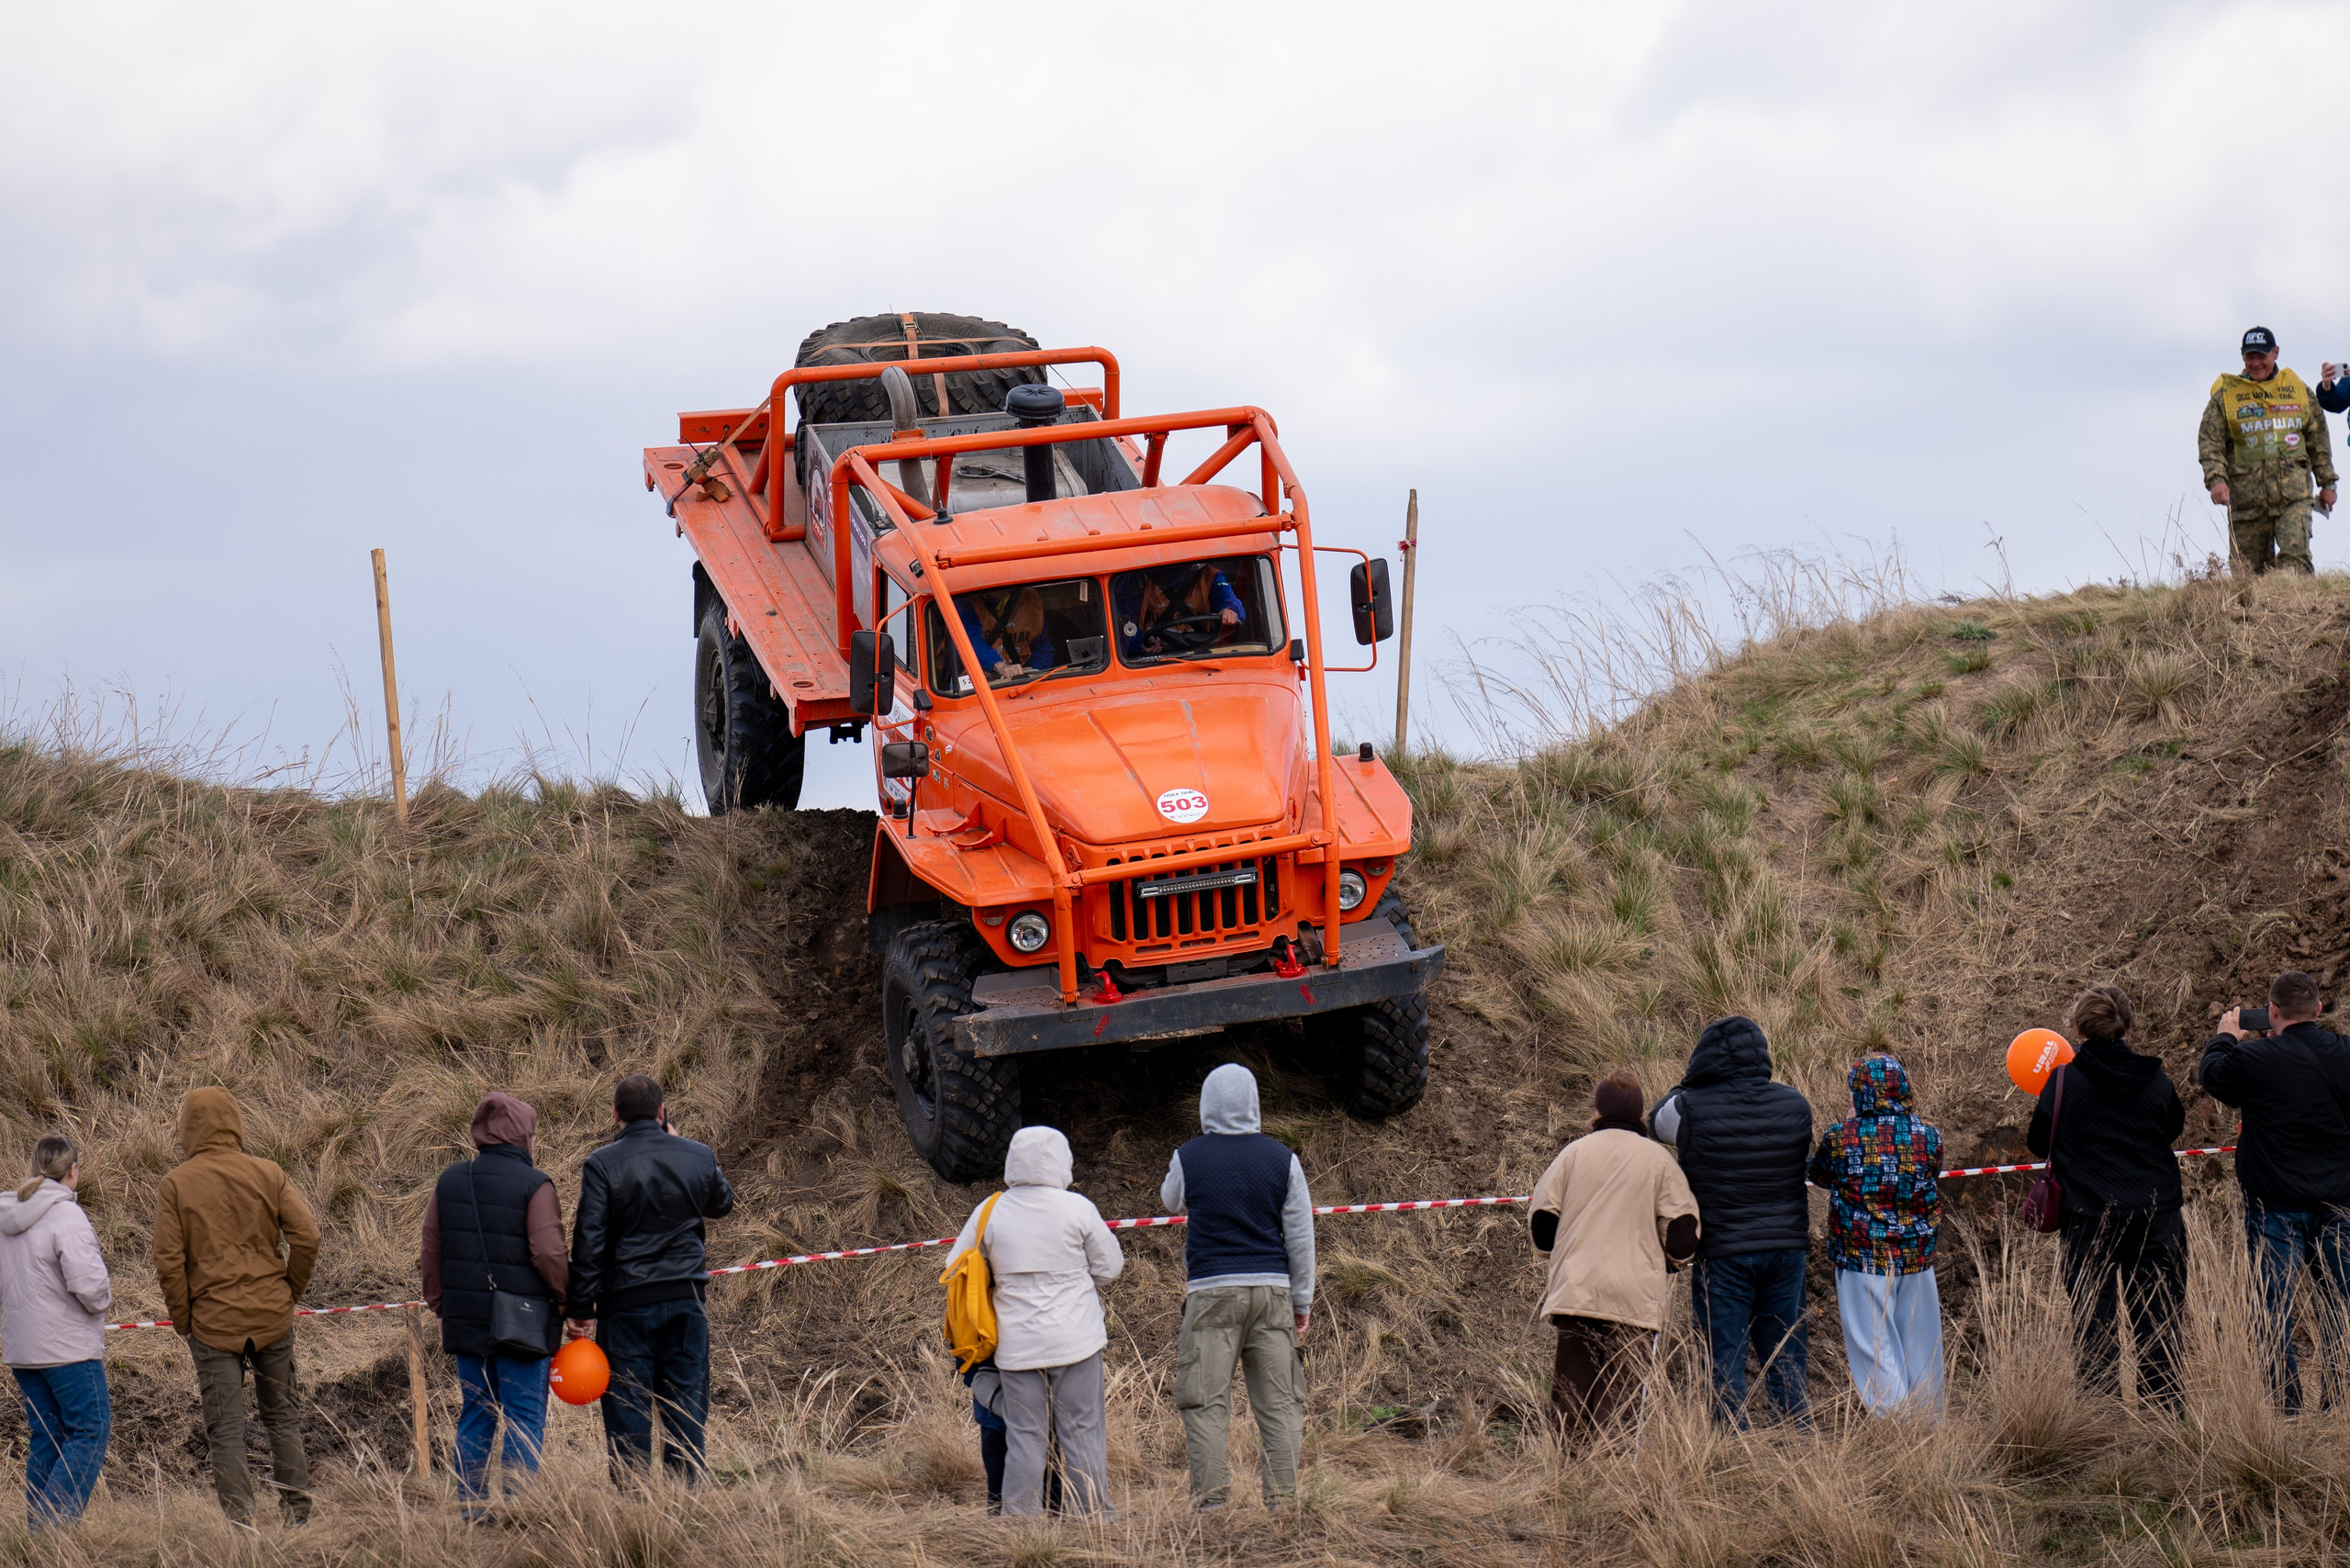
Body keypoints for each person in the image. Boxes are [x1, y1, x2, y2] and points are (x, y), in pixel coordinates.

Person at [152, 1087, 320, 1526]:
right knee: (283, 1418)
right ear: (235, 1122)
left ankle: (240, 1530)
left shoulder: (176, 1185)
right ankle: (298, 1517)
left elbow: (168, 1261)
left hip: (211, 1324)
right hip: (271, 1316)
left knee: (225, 1432)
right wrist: (288, 1294)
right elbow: (308, 1237)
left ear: (188, 1128)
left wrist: (183, 1320)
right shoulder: (268, 1172)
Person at [944, 1126, 1123, 1518]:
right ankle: (1091, 1518)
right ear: (1064, 1161)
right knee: (1082, 1431)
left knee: (1026, 1438)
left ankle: (1019, 1525)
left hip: (1016, 1345)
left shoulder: (990, 1210)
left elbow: (953, 1267)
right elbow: (1111, 1267)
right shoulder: (1077, 1208)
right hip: (1077, 1341)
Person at [565, 1074, 734, 1480]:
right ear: (662, 1111)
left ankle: (636, 1508)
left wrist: (580, 1307)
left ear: (615, 1114)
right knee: (686, 1404)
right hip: (686, 1299)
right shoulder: (698, 1154)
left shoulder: (602, 1163)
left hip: (625, 1307)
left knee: (627, 1409)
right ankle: (686, 1501)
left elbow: (589, 1241)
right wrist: (683, 1145)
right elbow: (722, 1203)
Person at [1159, 1064, 1315, 1509]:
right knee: (1280, 1403)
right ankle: (1283, 1504)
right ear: (1254, 1103)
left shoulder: (1189, 1156)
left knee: (1205, 1402)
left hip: (1211, 1293)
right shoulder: (1282, 1158)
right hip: (1272, 1293)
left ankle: (1212, 1507)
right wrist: (1301, 1300)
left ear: (1207, 1103)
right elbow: (1301, 1236)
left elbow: (1171, 1199)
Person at [2029, 984, 2187, 1409]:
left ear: (2078, 1027)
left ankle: (2100, 1421)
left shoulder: (2062, 1081)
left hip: (2089, 1216)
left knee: (2093, 1322)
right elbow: (2172, 1129)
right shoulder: (2156, 1078)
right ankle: (2167, 1415)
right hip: (2157, 1213)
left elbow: (2038, 1141)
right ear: (2126, 1025)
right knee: (2159, 1317)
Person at [1650, 1015, 1813, 1427]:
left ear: (1704, 1060)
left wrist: (1689, 1084)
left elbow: (1655, 1122)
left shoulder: (1689, 1108)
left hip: (1724, 1252)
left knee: (1723, 1358)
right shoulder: (1795, 1103)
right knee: (1786, 1355)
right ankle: (1800, 1444)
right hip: (1786, 1249)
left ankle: (1732, 1455)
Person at [2199, 969, 2350, 1413]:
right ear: (2319, 1010)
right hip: (2340, 1202)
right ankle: (2338, 1407)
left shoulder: (2256, 1058)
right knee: (2339, 1307)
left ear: (2271, 1013)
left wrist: (2227, 1035)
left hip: (2274, 1208)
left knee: (2271, 1311)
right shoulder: (2345, 1053)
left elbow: (2212, 1076)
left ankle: (2284, 1409)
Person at [1527, 1070, 1697, 1437]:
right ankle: (1610, 1481)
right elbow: (1683, 1230)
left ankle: (1564, 1480)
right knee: (1620, 1404)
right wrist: (1669, 1264)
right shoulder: (1659, 1160)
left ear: (1598, 1110)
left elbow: (1543, 1219)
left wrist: (1557, 1255)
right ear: (1639, 1114)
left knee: (1569, 1400)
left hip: (1578, 1291)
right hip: (1635, 1298)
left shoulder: (1573, 1154)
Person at [421, 1093, 569, 1510]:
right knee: (524, 1418)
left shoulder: (450, 1180)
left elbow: (430, 1250)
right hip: (523, 1323)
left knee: (477, 1413)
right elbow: (549, 1253)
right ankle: (513, 1508)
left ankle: (470, 1509)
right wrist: (566, 1301)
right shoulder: (535, 1184)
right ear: (522, 1135)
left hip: (466, 1320)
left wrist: (441, 1308)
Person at [1807, 1055, 1944, 1418]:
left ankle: (1897, 1434)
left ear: (1862, 1094)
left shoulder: (1840, 1137)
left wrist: (1851, 1126)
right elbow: (1932, 1171)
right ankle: (1929, 1428)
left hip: (1862, 1256)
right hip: (1916, 1257)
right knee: (1922, 1347)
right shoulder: (1928, 1136)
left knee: (1874, 1348)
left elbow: (1819, 1175)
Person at [0, 1136, 112, 1529]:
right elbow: (91, 1288)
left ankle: (36, 1534)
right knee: (91, 1430)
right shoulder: (67, 1216)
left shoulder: (7, 1216)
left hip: (21, 1348)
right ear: (72, 1171)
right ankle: (51, 1530)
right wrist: (103, 1301)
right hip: (68, 1349)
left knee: (47, 1436)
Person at [2198, 326, 2337, 577]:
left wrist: (2328, 484)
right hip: (2245, 503)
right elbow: (2210, 442)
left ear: (2275, 353)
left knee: (2296, 565)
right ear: (2242, 357)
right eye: (2250, 356)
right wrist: (2216, 480)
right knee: (2249, 577)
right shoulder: (2226, 396)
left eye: (2261, 355)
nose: (2255, 362)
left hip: (2293, 498)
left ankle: (2300, 615)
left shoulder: (2297, 390)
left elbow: (2318, 440)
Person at [1114, 562, 1244, 658]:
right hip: (1153, 661)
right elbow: (1122, 623)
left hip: (1201, 657)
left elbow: (1233, 605)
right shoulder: (1138, 579)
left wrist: (1230, 611)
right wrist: (1140, 643)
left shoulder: (1210, 576)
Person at [959, 587, 1055, 678]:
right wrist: (999, 666)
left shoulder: (1030, 599)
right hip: (973, 681)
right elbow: (969, 642)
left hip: (1022, 680)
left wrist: (1032, 672)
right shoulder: (965, 599)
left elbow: (1043, 650)